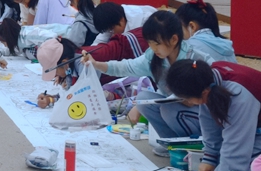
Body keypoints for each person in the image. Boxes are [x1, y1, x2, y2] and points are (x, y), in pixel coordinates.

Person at [91, 8, 239, 139]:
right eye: (150, 43)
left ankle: (192, 144)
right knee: (143, 100)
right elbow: (126, 67)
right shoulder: (152, 58)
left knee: (169, 111)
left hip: (202, 112)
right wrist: (97, 64)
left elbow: (218, 83)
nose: (153, 48)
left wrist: (193, 98)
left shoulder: (194, 58)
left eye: (157, 43)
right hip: (177, 106)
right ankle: (169, 142)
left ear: (174, 39)